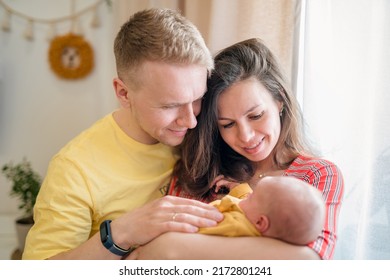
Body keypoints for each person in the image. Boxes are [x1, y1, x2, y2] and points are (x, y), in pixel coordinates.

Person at [22, 8, 224, 260]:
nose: (191, 120)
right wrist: (120, 233)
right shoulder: (74, 169)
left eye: (197, 98)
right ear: (123, 93)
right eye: (170, 105)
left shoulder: (205, 130)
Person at [128, 38, 344, 260]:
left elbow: (310, 261)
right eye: (228, 124)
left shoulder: (317, 175)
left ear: (279, 100)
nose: (246, 136)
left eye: (256, 115)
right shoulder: (202, 172)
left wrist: (172, 246)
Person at [198, 176, 325, 246]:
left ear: (260, 222)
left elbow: (197, 232)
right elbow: (249, 203)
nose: (248, 195)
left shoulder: (233, 227)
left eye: (252, 197)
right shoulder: (253, 216)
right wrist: (237, 188)